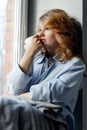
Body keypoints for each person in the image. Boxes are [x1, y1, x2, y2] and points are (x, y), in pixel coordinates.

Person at [5, 9, 86, 130]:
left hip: (53, 120)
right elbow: (13, 88)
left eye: (46, 28)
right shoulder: (35, 60)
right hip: (27, 112)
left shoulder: (75, 65)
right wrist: (29, 53)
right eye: (39, 29)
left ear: (62, 32)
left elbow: (54, 94)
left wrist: (19, 96)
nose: (40, 34)